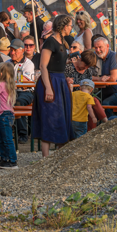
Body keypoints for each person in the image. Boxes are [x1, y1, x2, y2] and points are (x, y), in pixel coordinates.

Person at [32, 14, 75, 158]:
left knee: (62, 117)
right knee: (49, 117)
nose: (71, 28)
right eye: (70, 25)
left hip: (60, 80)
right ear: (63, 26)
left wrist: (70, 63)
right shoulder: (50, 41)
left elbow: (56, 62)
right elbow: (43, 66)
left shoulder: (63, 41)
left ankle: (59, 156)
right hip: (50, 81)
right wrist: (49, 88)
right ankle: (45, 158)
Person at [0, 61, 18, 169]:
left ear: (1, 74)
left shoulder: (0, 85)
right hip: (9, 114)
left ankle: (12, 161)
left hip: (4, 115)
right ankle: (4, 159)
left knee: (6, 139)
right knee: (4, 137)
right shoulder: (10, 84)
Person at [92, 37, 117, 106]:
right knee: (90, 102)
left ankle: (112, 117)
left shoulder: (114, 56)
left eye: (100, 47)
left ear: (107, 46)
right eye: (95, 48)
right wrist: (99, 79)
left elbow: (113, 78)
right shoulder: (94, 56)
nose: (98, 50)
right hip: (101, 91)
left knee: (106, 103)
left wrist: (96, 78)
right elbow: (87, 76)